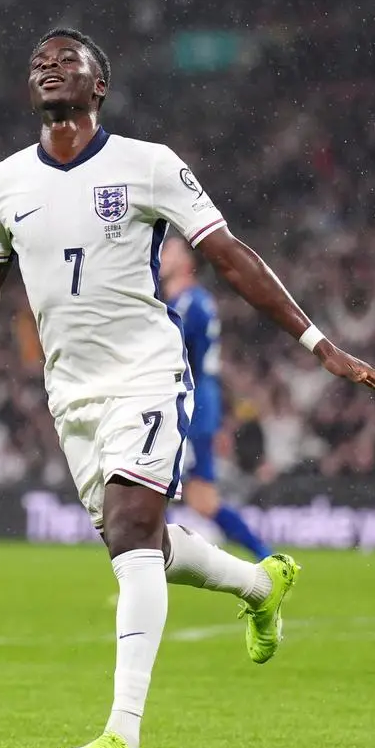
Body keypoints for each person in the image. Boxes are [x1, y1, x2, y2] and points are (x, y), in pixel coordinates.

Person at [0, 28, 375, 748]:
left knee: (129, 536)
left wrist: (320, 344)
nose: (48, 66)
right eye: (38, 61)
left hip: (148, 372)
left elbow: (227, 253)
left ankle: (120, 737)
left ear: (100, 87)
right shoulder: (2, 184)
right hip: (72, 393)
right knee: (144, 546)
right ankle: (261, 585)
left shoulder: (148, 165)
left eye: (67, 60)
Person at [160, 234, 273, 560]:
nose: (162, 255)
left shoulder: (188, 304)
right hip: (194, 403)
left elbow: (179, 359)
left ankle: (267, 558)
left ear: (188, 262)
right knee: (190, 496)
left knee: (165, 490)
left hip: (188, 406)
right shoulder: (189, 301)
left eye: (170, 250)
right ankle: (267, 558)